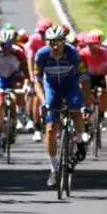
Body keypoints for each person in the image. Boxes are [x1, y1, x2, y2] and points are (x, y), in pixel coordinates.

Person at [34, 26, 89, 187]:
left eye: (59, 43)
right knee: (51, 128)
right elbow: (37, 80)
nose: (55, 47)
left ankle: (79, 140)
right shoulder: (41, 55)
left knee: (76, 110)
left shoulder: (72, 53)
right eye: (52, 43)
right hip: (51, 88)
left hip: (70, 86)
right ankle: (53, 169)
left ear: (64, 42)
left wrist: (85, 104)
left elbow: (84, 79)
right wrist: (43, 101)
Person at [0, 30, 31, 153]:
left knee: (18, 89)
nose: (5, 48)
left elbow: (25, 68)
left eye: (8, 45)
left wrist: (28, 82)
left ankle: (18, 111)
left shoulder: (18, 52)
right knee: (0, 105)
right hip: (0, 77)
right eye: (2, 44)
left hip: (14, 75)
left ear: (12, 43)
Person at [79, 31, 107, 135]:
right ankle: (87, 120)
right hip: (88, 76)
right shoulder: (83, 53)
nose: (93, 47)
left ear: (100, 44)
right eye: (90, 45)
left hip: (101, 76)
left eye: (95, 44)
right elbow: (79, 71)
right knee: (87, 95)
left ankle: (100, 114)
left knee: (104, 93)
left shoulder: (105, 53)